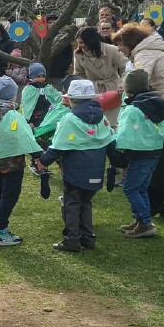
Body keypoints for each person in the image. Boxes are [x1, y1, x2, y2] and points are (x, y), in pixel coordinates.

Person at [114, 23, 164, 216]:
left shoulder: (144, 53)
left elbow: (138, 80)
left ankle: (156, 198)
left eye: (120, 44)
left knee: (160, 153)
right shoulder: (157, 49)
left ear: (130, 42)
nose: (119, 49)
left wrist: (125, 95)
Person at [39, 80, 113, 252]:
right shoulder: (102, 118)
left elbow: (57, 147)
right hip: (96, 170)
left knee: (71, 203)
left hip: (75, 171)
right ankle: (88, 238)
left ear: (71, 100)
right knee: (86, 202)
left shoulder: (70, 119)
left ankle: (71, 239)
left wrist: (43, 160)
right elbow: (110, 141)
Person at [0, 76, 41, 246]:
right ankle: (1, 231)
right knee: (10, 196)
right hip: (13, 161)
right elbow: (26, 137)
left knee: (3, 192)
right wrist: (38, 156)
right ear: (13, 95)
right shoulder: (12, 115)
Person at [110, 69, 164, 238]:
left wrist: (116, 144)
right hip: (154, 152)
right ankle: (140, 220)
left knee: (131, 188)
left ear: (129, 89)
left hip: (139, 154)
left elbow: (125, 133)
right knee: (141, 188)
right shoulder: (155, 104)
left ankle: (145, 222)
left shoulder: (134, 109)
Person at [72, 26, 127, 95]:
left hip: (114, 89)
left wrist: (122, 84)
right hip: (92, 91)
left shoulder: (112, 50)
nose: (79, 45)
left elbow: (126, 68)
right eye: (78, 42)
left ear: (91, 41)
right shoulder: (78, 54)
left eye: (82, 42)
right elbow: (79, 75)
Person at [20, 63, 65, 143]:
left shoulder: (47, 87)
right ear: (32, 76)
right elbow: (26, 106)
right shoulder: (29, 89)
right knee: (33, 136)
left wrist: (64, 97)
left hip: (45, 115)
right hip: (33, 117)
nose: (41, 79)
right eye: (38, 76)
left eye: (43, 76)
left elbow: (56, 97)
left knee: (44, 133)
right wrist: (27, 121)